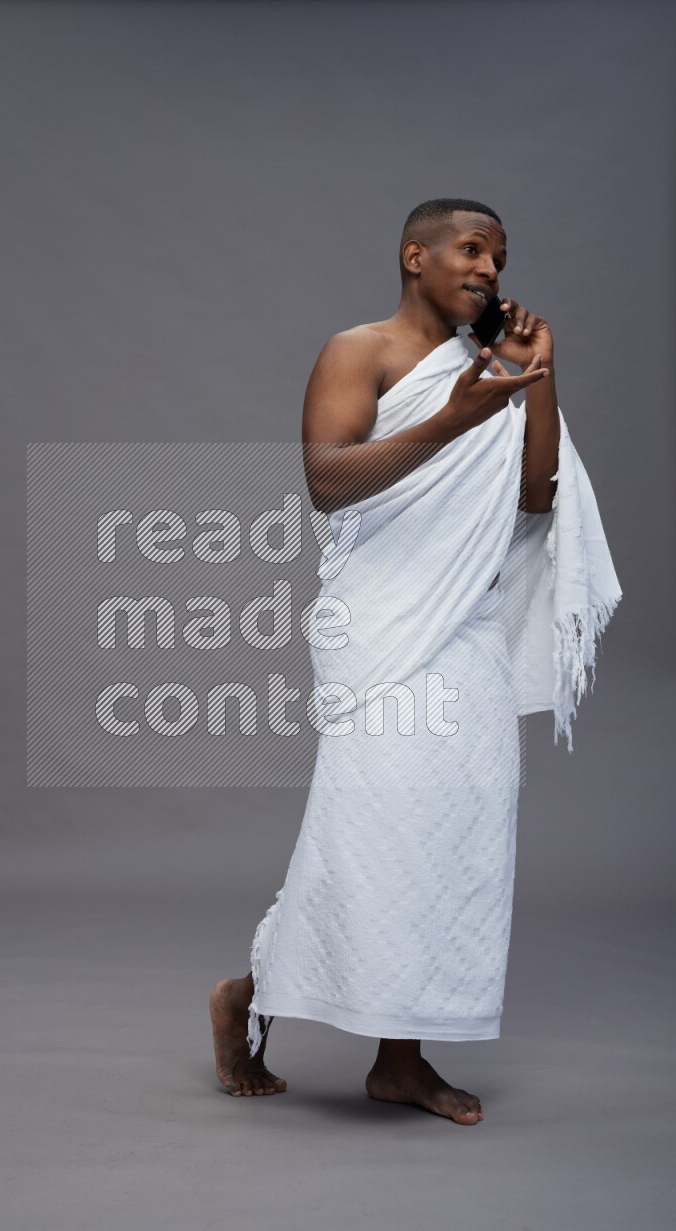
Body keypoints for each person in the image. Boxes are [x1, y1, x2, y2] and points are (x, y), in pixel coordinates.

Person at [209, 198, 621, 1125]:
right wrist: (451, 418)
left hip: (465, 631)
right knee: (367, 841)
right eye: (471, 249)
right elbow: (326, 481)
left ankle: (401, 1060)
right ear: (414, 255)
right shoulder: (360, 351)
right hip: (380, 626)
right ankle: (249, 995)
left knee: (449, 843)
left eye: (499, 257)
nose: (489, 269)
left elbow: (536, 498)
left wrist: (536, 374)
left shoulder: (494, 367)